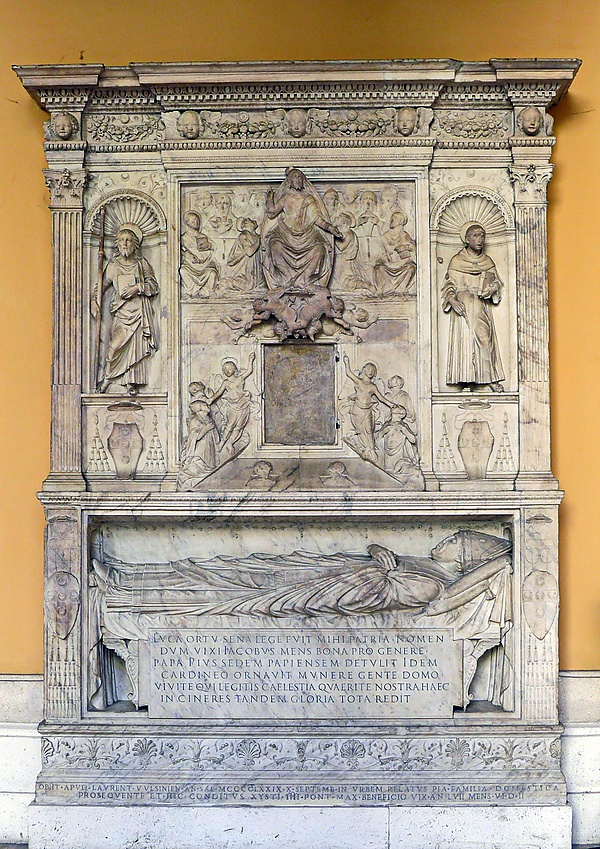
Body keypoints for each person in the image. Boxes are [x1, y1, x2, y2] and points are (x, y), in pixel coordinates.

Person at [94, 224, 159, 395]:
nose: (125, 244)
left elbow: (154, 286)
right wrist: (95, 301)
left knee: (135, 348)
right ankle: (107, 378)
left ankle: (131, 382)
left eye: (129, 240)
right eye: (122, 240)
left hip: (139, 313)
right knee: (114, 347)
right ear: (117, 244)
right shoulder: (113, 265)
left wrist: (137, 288)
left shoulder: (141, 264)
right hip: (121, 313)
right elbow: (101, 287)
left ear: (135, 244)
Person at [442, 222, 505, 391]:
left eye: (482, 236)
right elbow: (449, 285)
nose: (480, 239)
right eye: (476, 236)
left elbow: (497, 282)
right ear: (467, 239)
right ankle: (468, 379)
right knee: (466, 342)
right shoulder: (457, 261)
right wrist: (453, 301)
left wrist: (492, 288)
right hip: (463, 304)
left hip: (480, 304)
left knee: (484, 338)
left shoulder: (487, 261)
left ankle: (488, 378)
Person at [262, 167, 343, 291]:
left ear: (303, 180)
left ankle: (304, 280)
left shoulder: (309, 199)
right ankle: (286, 279)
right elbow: (272, 214)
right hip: (285, 235)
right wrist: (269, 200)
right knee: (274, 246)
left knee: (319, 250)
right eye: (294, 177)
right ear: (290, 181)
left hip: (307, 236)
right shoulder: (286, 197)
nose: (297, 179)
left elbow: (318, 219)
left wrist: (330, 228)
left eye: (300, 177)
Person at [343, 355, 397, 461]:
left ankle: (372, 451)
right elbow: (349, 373)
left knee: (369, 429)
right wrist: (346, 362)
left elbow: (381, 398)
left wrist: (391, 405)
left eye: (373, 370)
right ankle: (366, 448)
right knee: (360, 430)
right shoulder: (359, 382)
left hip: (367, 410)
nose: (371, 371)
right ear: (364, 370)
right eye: (369, 369)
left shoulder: (373, 386)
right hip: (357, 410)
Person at [209, 354, 256, 453]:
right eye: (224, 369)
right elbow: (219, 393)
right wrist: (211, 399)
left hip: (243, 405)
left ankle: (230, 443)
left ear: (235, 369)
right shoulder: (225, 383)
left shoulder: (240, 378)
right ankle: (221, 443)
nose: (227, 370)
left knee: (239, 427)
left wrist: (250, 360)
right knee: (230, 425)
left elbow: (249, 371)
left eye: (229, 368)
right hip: (233, 406)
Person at [373, 209, 416, 295]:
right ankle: (384, 289)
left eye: (395, 218)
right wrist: (385, 256)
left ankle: (401, 288)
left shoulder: (404, 235)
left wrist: (405, 247)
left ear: (401, 222)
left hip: (402, 264)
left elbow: (413, 246)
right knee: (378, 269)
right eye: (392, 218)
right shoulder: (386, 235)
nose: (392, 220)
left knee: (411, 268)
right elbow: (381, 250)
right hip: (388, 264)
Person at [179, 211, 219, 297]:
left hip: (205, 266)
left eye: (197, 220)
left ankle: (209, 292)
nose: (196, 222)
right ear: (187, 222)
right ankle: (191, 292)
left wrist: (208, 245)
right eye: (193, 220)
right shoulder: (183, 238)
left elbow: (214, 246)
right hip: (190, 266)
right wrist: (187, 255)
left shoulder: (203, 236)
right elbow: (179, 250)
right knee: (183, 271)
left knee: (212, 273)